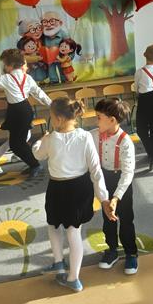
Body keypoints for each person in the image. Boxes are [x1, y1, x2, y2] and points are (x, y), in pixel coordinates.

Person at [32, 97, 116, 293]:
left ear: (60, 119)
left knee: (53, 224)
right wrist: (103, 198)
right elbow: (95, 169)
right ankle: (73, 277)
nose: (51, 120)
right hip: (80, 188)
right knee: (73, 231)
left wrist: (40, 140)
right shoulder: (85, 136)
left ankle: (59, 263)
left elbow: (37, 154)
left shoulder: (50, 139)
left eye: (52, 117)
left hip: (58, 188)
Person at [0, 48, 51, 177]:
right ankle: (31, 164)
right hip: (25, 110)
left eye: (5, 64)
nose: (4, 67)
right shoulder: (26, 77)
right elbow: (39, 93)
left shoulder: (7, 78)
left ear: (10, 65)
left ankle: (35, 165)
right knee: (17, 141)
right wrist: (51, 104)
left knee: (16, 144)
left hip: (17, 112)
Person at [91, 98, 138, 274]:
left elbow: (128, 173)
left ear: (112, 120)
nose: (96, 121)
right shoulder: (94, 135)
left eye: (98, 117)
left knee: (126, 219)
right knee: (108, 219)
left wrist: (117, 197)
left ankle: (131, 252)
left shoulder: (125, 141)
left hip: (121, 183)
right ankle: (111, 250)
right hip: (104, 179)